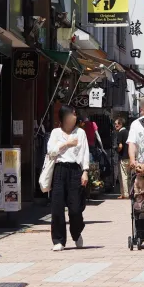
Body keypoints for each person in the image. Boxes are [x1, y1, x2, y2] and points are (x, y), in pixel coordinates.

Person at [44, 105, 90, 251]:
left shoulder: (80, 133)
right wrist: (66, 143)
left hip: (75, 170)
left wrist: (85, 171)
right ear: (64, 117)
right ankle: (58, 240)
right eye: (72, 114)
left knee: (76, 208)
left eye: (75, 114)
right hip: (59, 170)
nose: (75, 117)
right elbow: (51, 151)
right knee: (57, 207)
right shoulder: (56, 133)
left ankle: (76, 233)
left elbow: (84, 152)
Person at [114, 116, 130, 200]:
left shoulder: (120, 133)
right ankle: (129, 193)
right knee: (129, 176)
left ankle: (125, 194)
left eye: (117, 124)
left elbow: (120, 146)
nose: (115, 125)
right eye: (115, 124)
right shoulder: (128, 132)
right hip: (130, 157)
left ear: (121, 124)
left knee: (123, 176)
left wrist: (117, 150)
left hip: (123, 157)